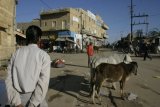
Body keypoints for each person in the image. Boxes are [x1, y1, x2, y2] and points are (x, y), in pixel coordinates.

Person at [5, 25, 51, 107]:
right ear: (39, 39)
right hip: (36, 101)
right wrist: (32, 104)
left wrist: (17, 102)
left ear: (27, 37)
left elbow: (9, 79)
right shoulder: (43, 56)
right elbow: (43, 84)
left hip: (17, 98)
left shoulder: (16, 53)